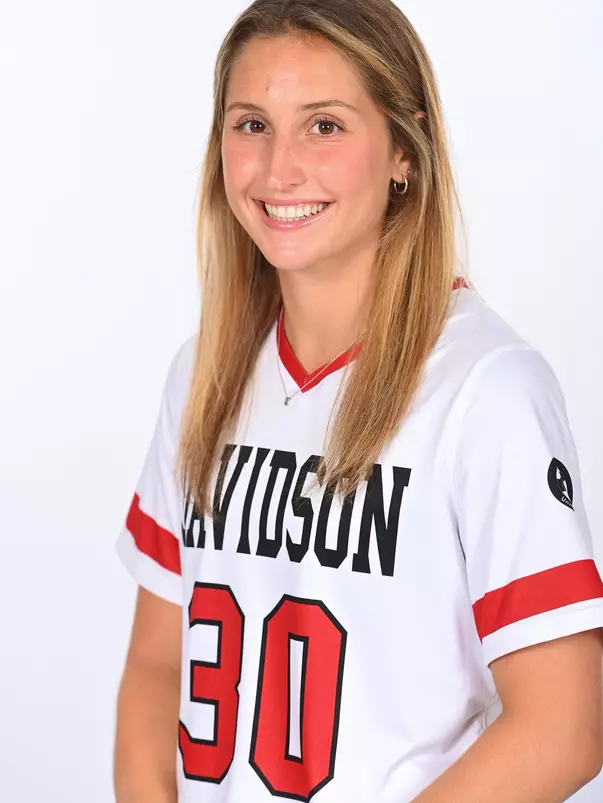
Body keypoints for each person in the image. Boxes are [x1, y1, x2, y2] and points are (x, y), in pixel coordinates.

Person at [113, 1, 603, 801]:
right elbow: (155, 666)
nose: (277, 170)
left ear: (403, 151)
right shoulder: (201, 373)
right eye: (250, 125)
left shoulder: (486, 390)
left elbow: (563, 724)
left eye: (324, 126)